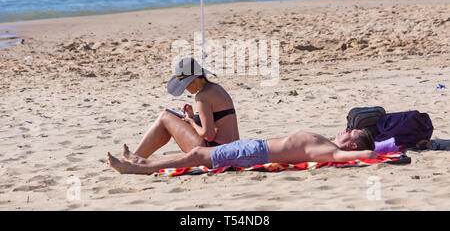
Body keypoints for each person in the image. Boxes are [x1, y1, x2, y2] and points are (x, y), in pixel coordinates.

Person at [107, 129, 377, 175]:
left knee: (197, 156)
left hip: (255, 154)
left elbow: (364, 156)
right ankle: (144, 161)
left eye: (349, 133)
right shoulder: (328, 144)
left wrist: (377, 155)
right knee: (199, 154)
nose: (344, 130)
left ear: (352, 145)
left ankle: (137, 167)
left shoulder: (330, 152)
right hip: (253, 147)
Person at [132, 57, 239, 159]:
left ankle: (135, 157)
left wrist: (191, 122)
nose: (186, 89)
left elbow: (208, 135)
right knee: (168, 121)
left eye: (186, 85)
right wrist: (192, 118)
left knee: (164, 117)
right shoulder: (217, 89)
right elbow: (218, 123)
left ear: (195, 80)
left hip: (216, 152)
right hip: (233, 149)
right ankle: (137, 157)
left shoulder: (203, 96)